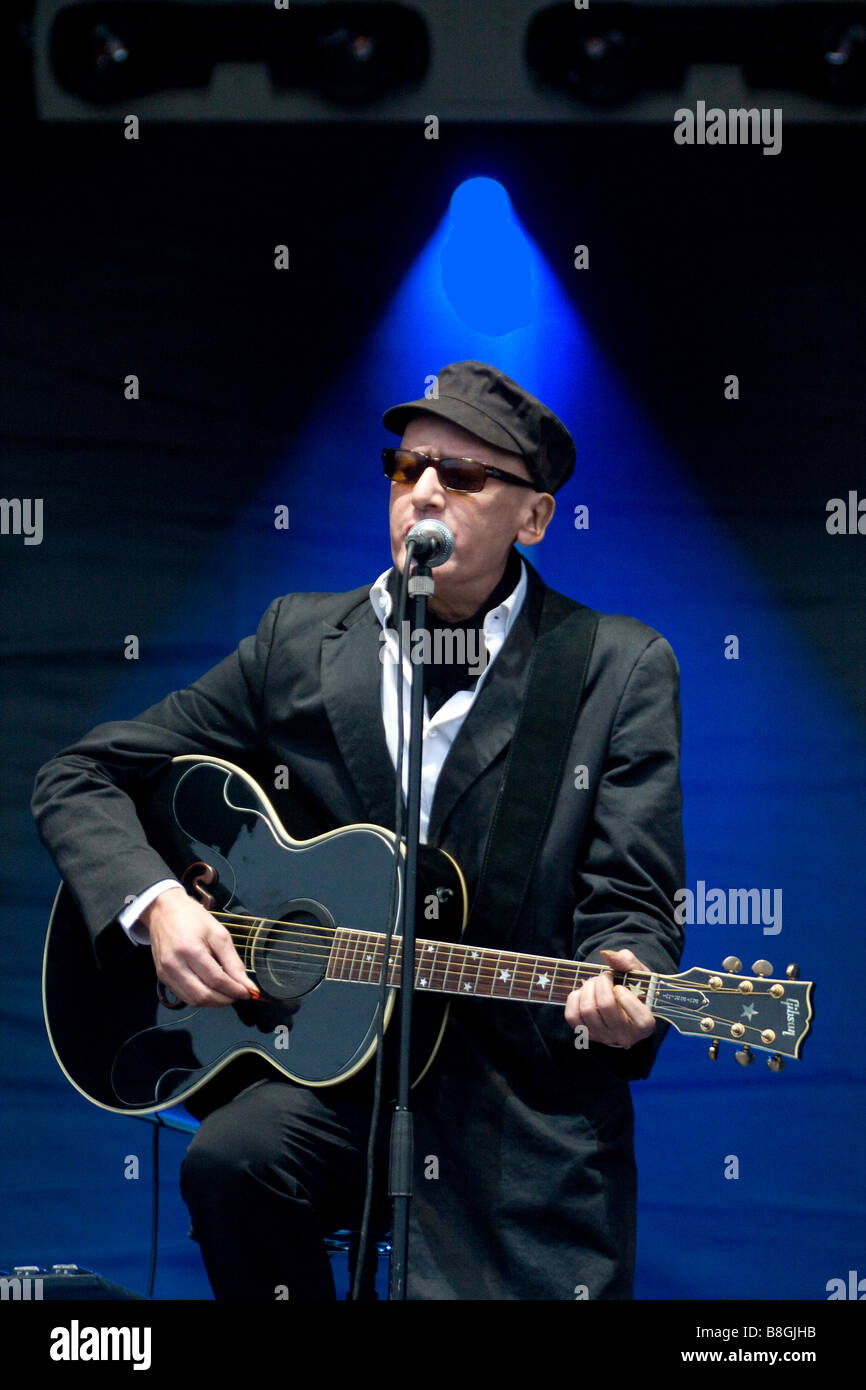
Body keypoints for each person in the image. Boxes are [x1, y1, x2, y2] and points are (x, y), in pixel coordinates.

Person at [32, 359, 685, 1300]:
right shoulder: (297, 643)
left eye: (462, 476)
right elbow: (81, 773)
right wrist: (161, 903)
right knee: (230, 1163)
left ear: (533, 519)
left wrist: (624, 981)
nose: (424, 489)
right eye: (407, 465)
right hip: (332, 1076)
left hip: (510, 1093)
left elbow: (630, 893)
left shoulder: (614, 669)